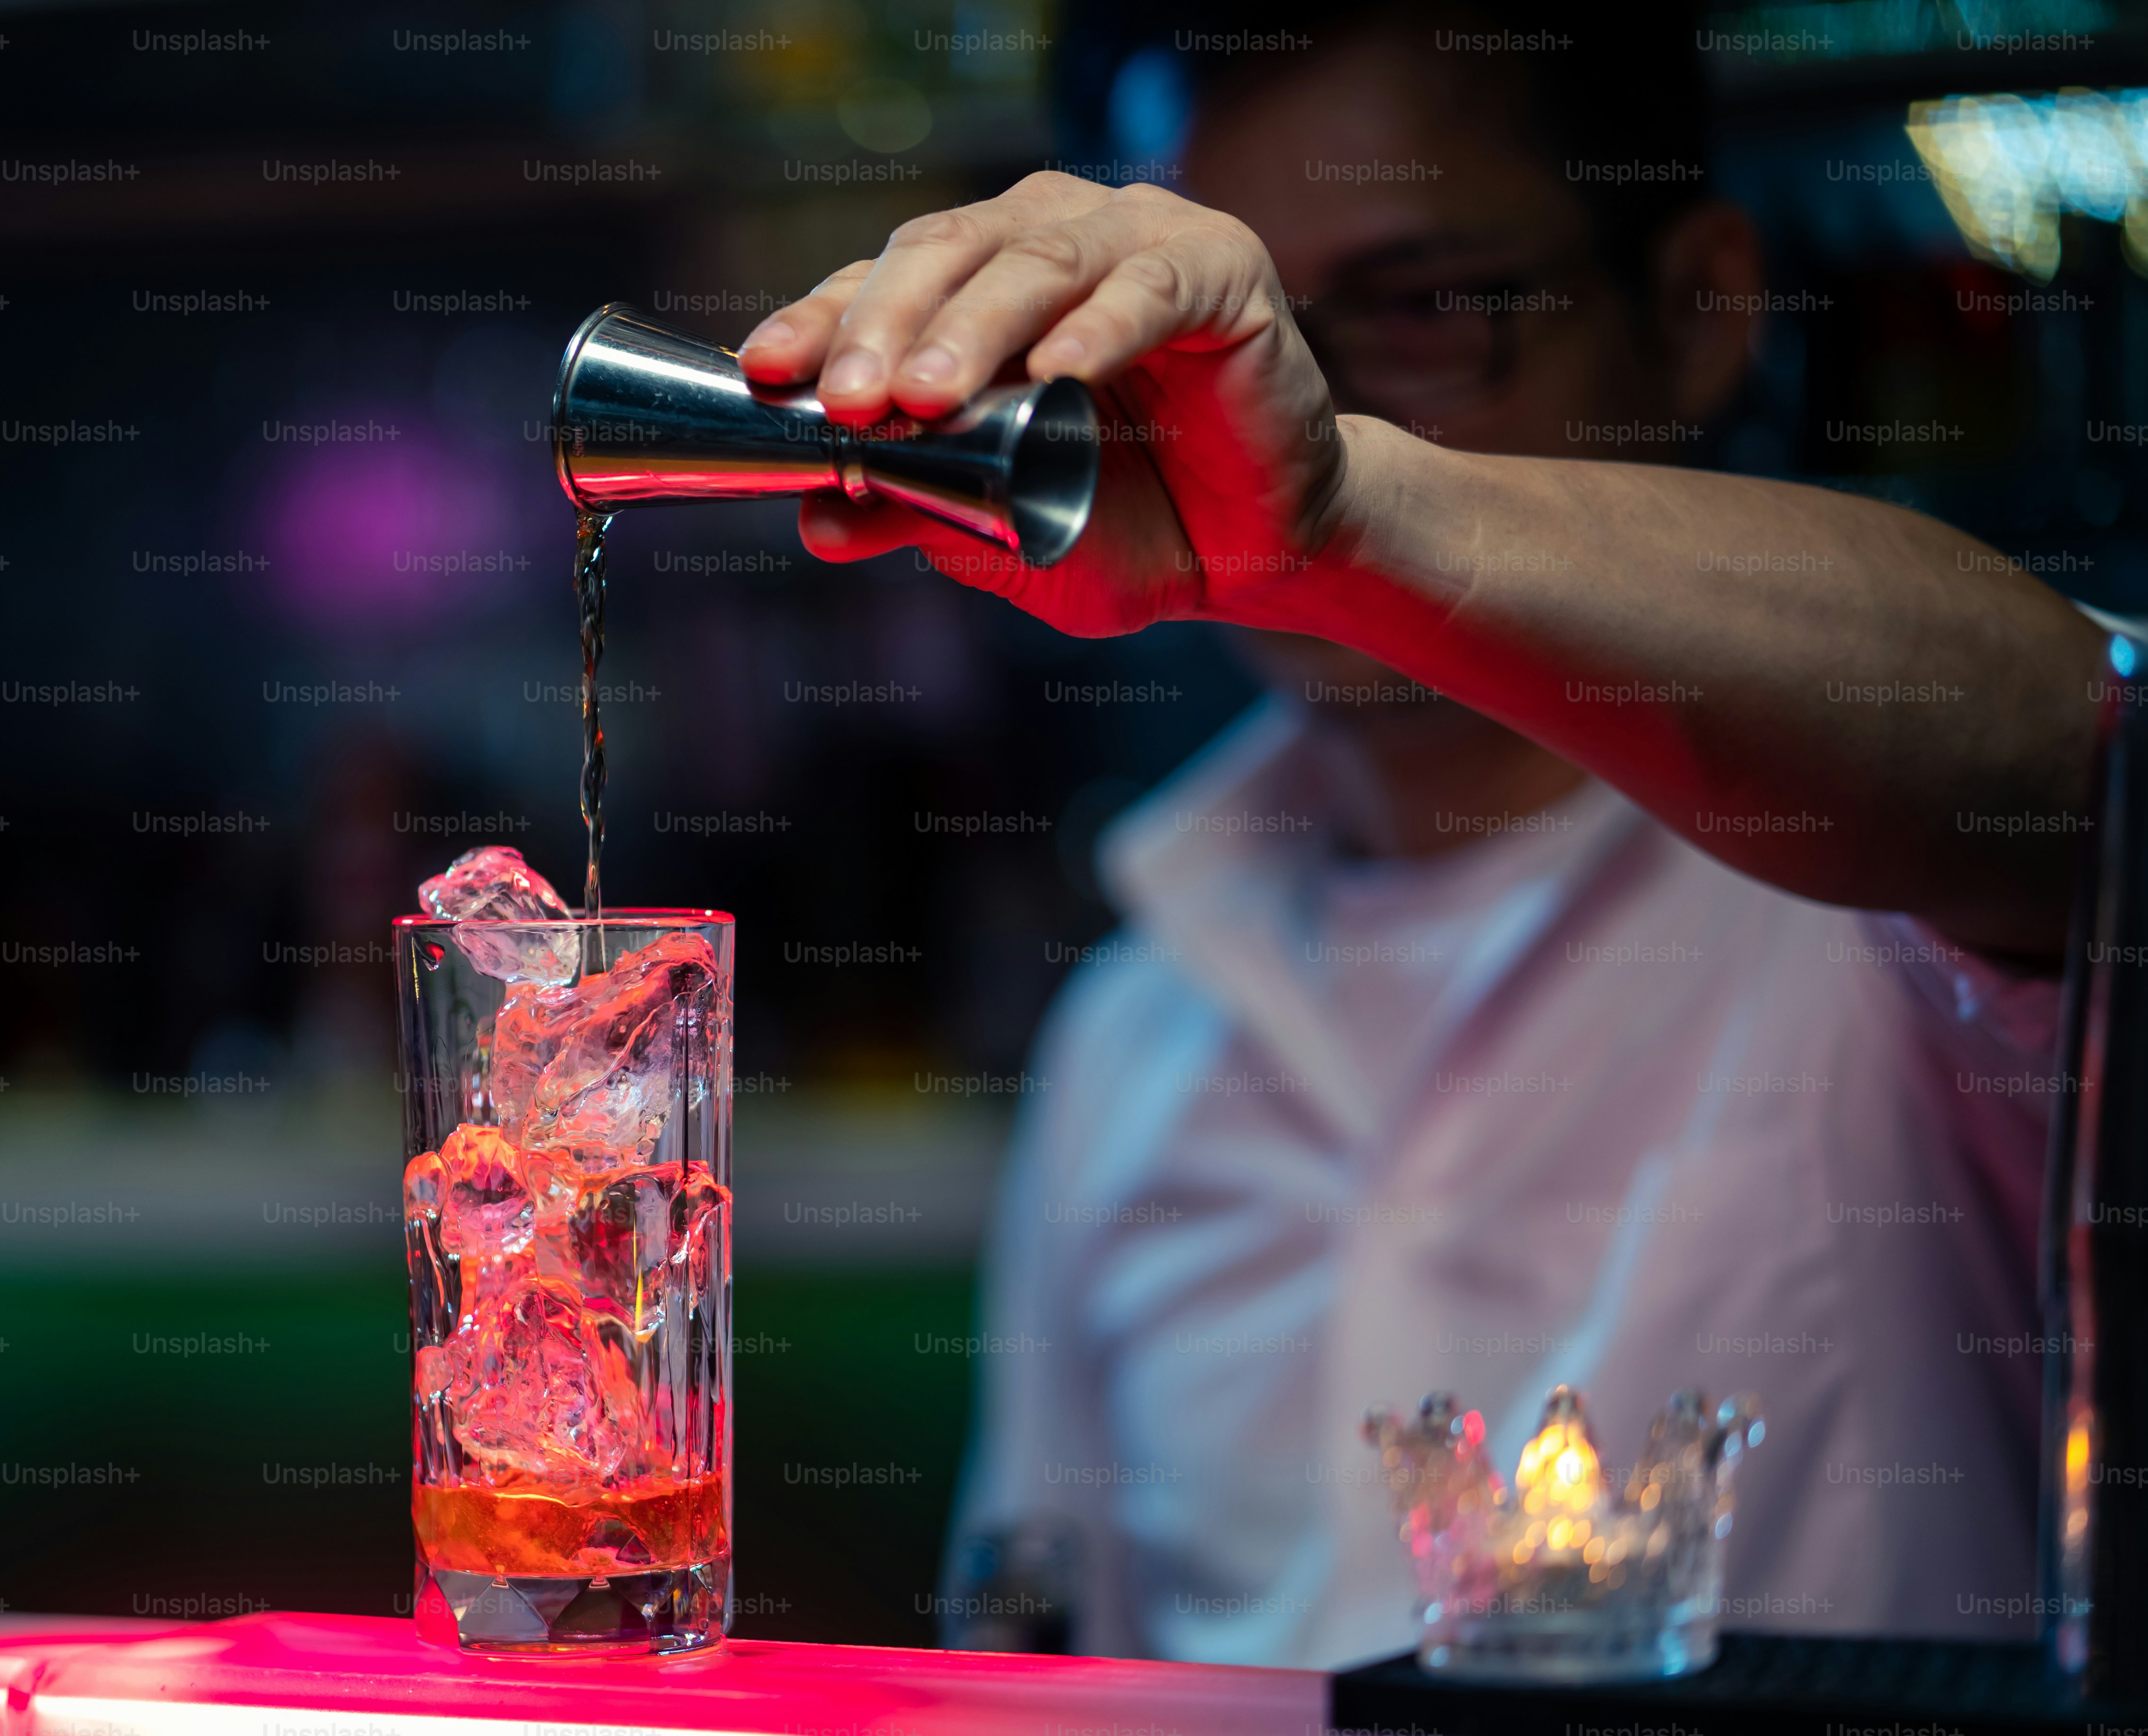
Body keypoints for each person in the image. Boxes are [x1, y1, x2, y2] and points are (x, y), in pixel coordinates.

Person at [739, 1, 2110, 1667]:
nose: (1277, 398)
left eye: (1423, 305)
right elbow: (1044, 1633)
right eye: (1241, 334)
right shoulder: (1131, 1032)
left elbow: (2073, 756)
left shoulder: (1874, 893)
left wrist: (1335, 510)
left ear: (1698, 309)